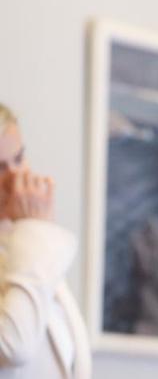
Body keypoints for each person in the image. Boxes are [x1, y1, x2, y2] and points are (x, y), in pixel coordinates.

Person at [0, 105, 91, 379]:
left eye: (19, 158)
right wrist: (34, 229)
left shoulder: (19, 245)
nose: (16, 178)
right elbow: (13, 346)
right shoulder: (31, 240)